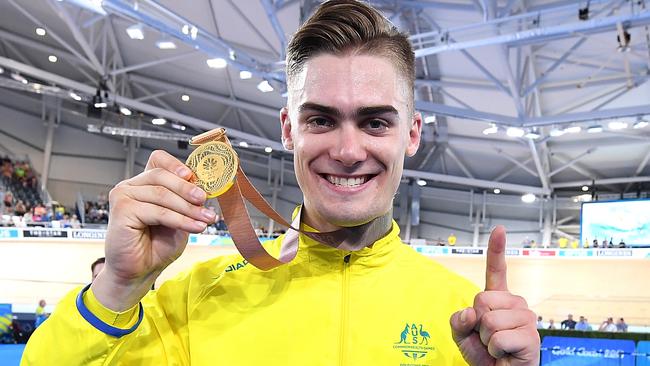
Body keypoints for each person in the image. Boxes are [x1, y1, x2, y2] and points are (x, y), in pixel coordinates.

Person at [22, 1, 539, 365]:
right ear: (289, 130)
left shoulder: (468, 320)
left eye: (375, 122)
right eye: (321, 120)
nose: (347, 150)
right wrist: (115, 288)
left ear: (412, 134)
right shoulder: (195, 301)